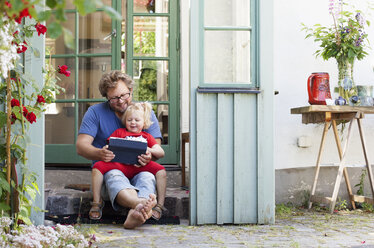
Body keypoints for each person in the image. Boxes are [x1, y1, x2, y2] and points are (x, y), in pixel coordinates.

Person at [76, 70, 167, 229]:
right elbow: (81, 146)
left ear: (131, 90)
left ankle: (135, 214)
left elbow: (156, 146)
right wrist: (100, 153)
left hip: (139, 169)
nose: (121, 101)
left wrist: (149, 155)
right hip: (112, 170)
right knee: (115, 176)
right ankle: (141, 204)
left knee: (146, 176)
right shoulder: (95, 113)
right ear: (106, 97)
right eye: (114, 98)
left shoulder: (143, 111)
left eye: (124, 95)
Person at [89, 102, 166, 221]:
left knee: (161, 171)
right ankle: (96, 201)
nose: (133, 122)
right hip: (121, 165)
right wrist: (105, 149)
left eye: (137, 120)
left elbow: (161, 152)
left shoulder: (146, 137)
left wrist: (148, 149)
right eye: (130, 120)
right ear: (125, 121)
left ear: (144, 123)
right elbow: (110, 145)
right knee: (97, 166)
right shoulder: (120, 132)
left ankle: (159, 205)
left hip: (140, 166)